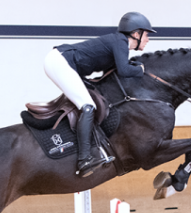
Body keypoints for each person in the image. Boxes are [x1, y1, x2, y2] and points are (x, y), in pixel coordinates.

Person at [44, 12, 155, 177]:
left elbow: (113, 71)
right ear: (136, 33)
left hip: (61, 61)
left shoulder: (119, 43)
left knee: (89, 102)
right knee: (88, 107)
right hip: (61, 62)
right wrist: (140, 69)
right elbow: (124, 71)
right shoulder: (121, 41)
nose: (147, 39)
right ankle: (84, 160)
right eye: (146, 35)